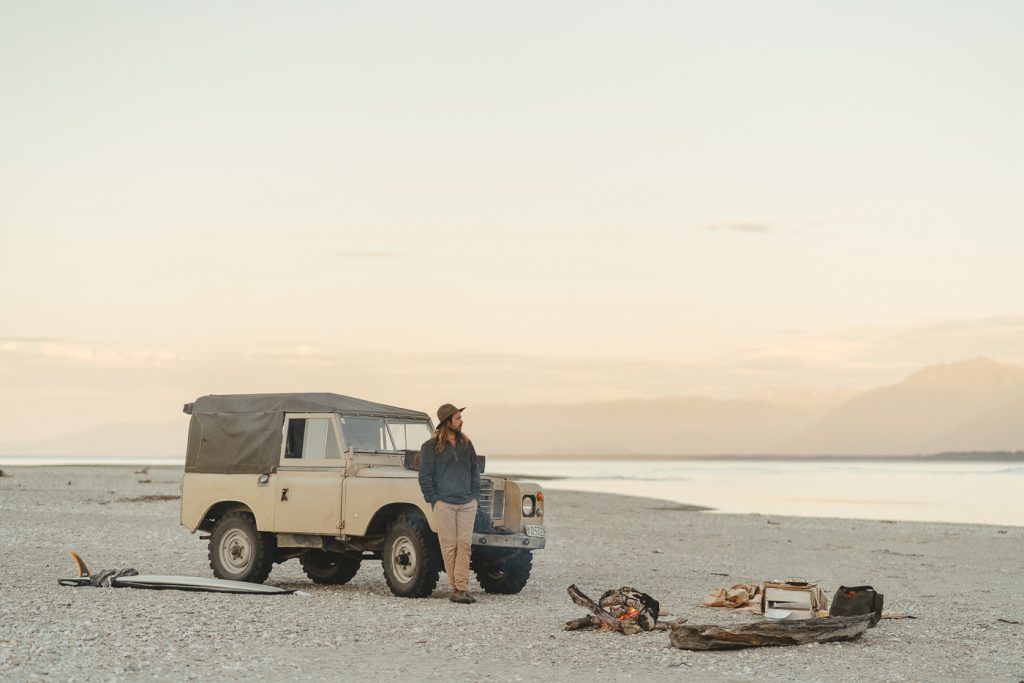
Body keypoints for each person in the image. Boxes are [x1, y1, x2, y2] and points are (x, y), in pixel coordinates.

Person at [418, 403, 481, 604]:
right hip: (444, 503)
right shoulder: (430, 446)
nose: (461, 422)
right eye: (457, 418)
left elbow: (475, 471)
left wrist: (475, 498)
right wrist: (434, 501)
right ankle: (458, 589)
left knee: (464, 544)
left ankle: (460, 588)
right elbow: (424, 476)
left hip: (466, 503)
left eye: (460, 418)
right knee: (449, 546)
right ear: (447, 422)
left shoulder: (466, 443)